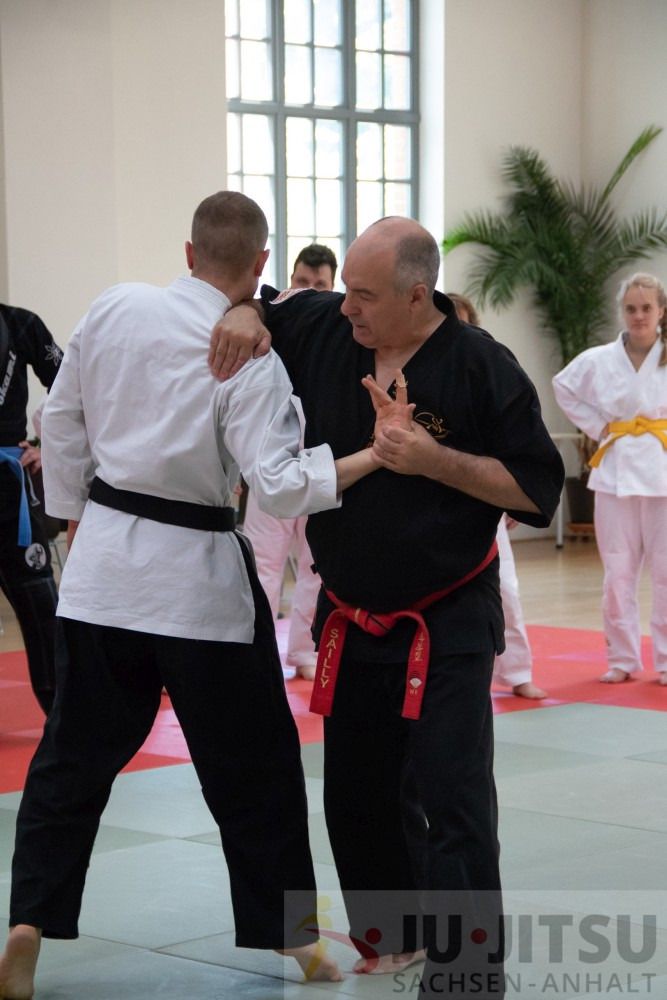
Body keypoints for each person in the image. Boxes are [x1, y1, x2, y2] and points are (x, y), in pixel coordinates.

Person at [0, 191, 389, 999]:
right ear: (260, 263)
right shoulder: (250, 358)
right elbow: (279, 486)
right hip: (198, 590)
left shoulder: (114, 307)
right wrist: (372, 456)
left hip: (103, 575)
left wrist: (74, 518)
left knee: (70, 761)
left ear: (187, 253)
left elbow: (60, 417)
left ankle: (27, 923)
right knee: (256, 769)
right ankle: (294, 938)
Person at [208, 217, 564, 997]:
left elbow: (536, 489)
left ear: (415, 294)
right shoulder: (326, 325)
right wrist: (245, 313)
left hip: (447, 613)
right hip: (350, 609)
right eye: (346, 291)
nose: (347, 307)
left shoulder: (479, 365)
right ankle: (393, 936)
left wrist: (432, 461)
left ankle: (467, 973)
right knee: (356, 792)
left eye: (364, 296)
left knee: (451, 796)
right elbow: (264, 305)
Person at [553, 272, 667, 686]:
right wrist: (599, 425)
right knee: (617, 572)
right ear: (622, 311)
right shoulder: (599, 359)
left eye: (646, 308)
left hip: (661, 469)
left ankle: (666, 659)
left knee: (666, 573)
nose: (639, 316)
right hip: (615, 470)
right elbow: (562, 387)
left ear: (661, 311)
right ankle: (622, 658)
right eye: (631, 308)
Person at [242, 243, 338, 679]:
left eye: (319, 284)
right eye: (302, 281)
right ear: (289, 278)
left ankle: (305, 651)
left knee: (317, 564)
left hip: (321, 460)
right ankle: (257, 652)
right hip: (270, 459)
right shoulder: (269, 322)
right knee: (263, 562)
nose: (309, 289)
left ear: (333, 287)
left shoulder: (344, 331)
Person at [448, 293, 547, 700]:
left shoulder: (489, 375)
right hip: (435, 504)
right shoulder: (418, 375)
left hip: (484, 501)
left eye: (463, 323)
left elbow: (512, 445)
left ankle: (518, 671)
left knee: (507, 587)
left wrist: (513, 496)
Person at [0, 304, 62, 714]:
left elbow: (72, 384)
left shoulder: (19, 325)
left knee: (42, 610)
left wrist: (47, 447)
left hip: (9, 490)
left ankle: (63, 723)